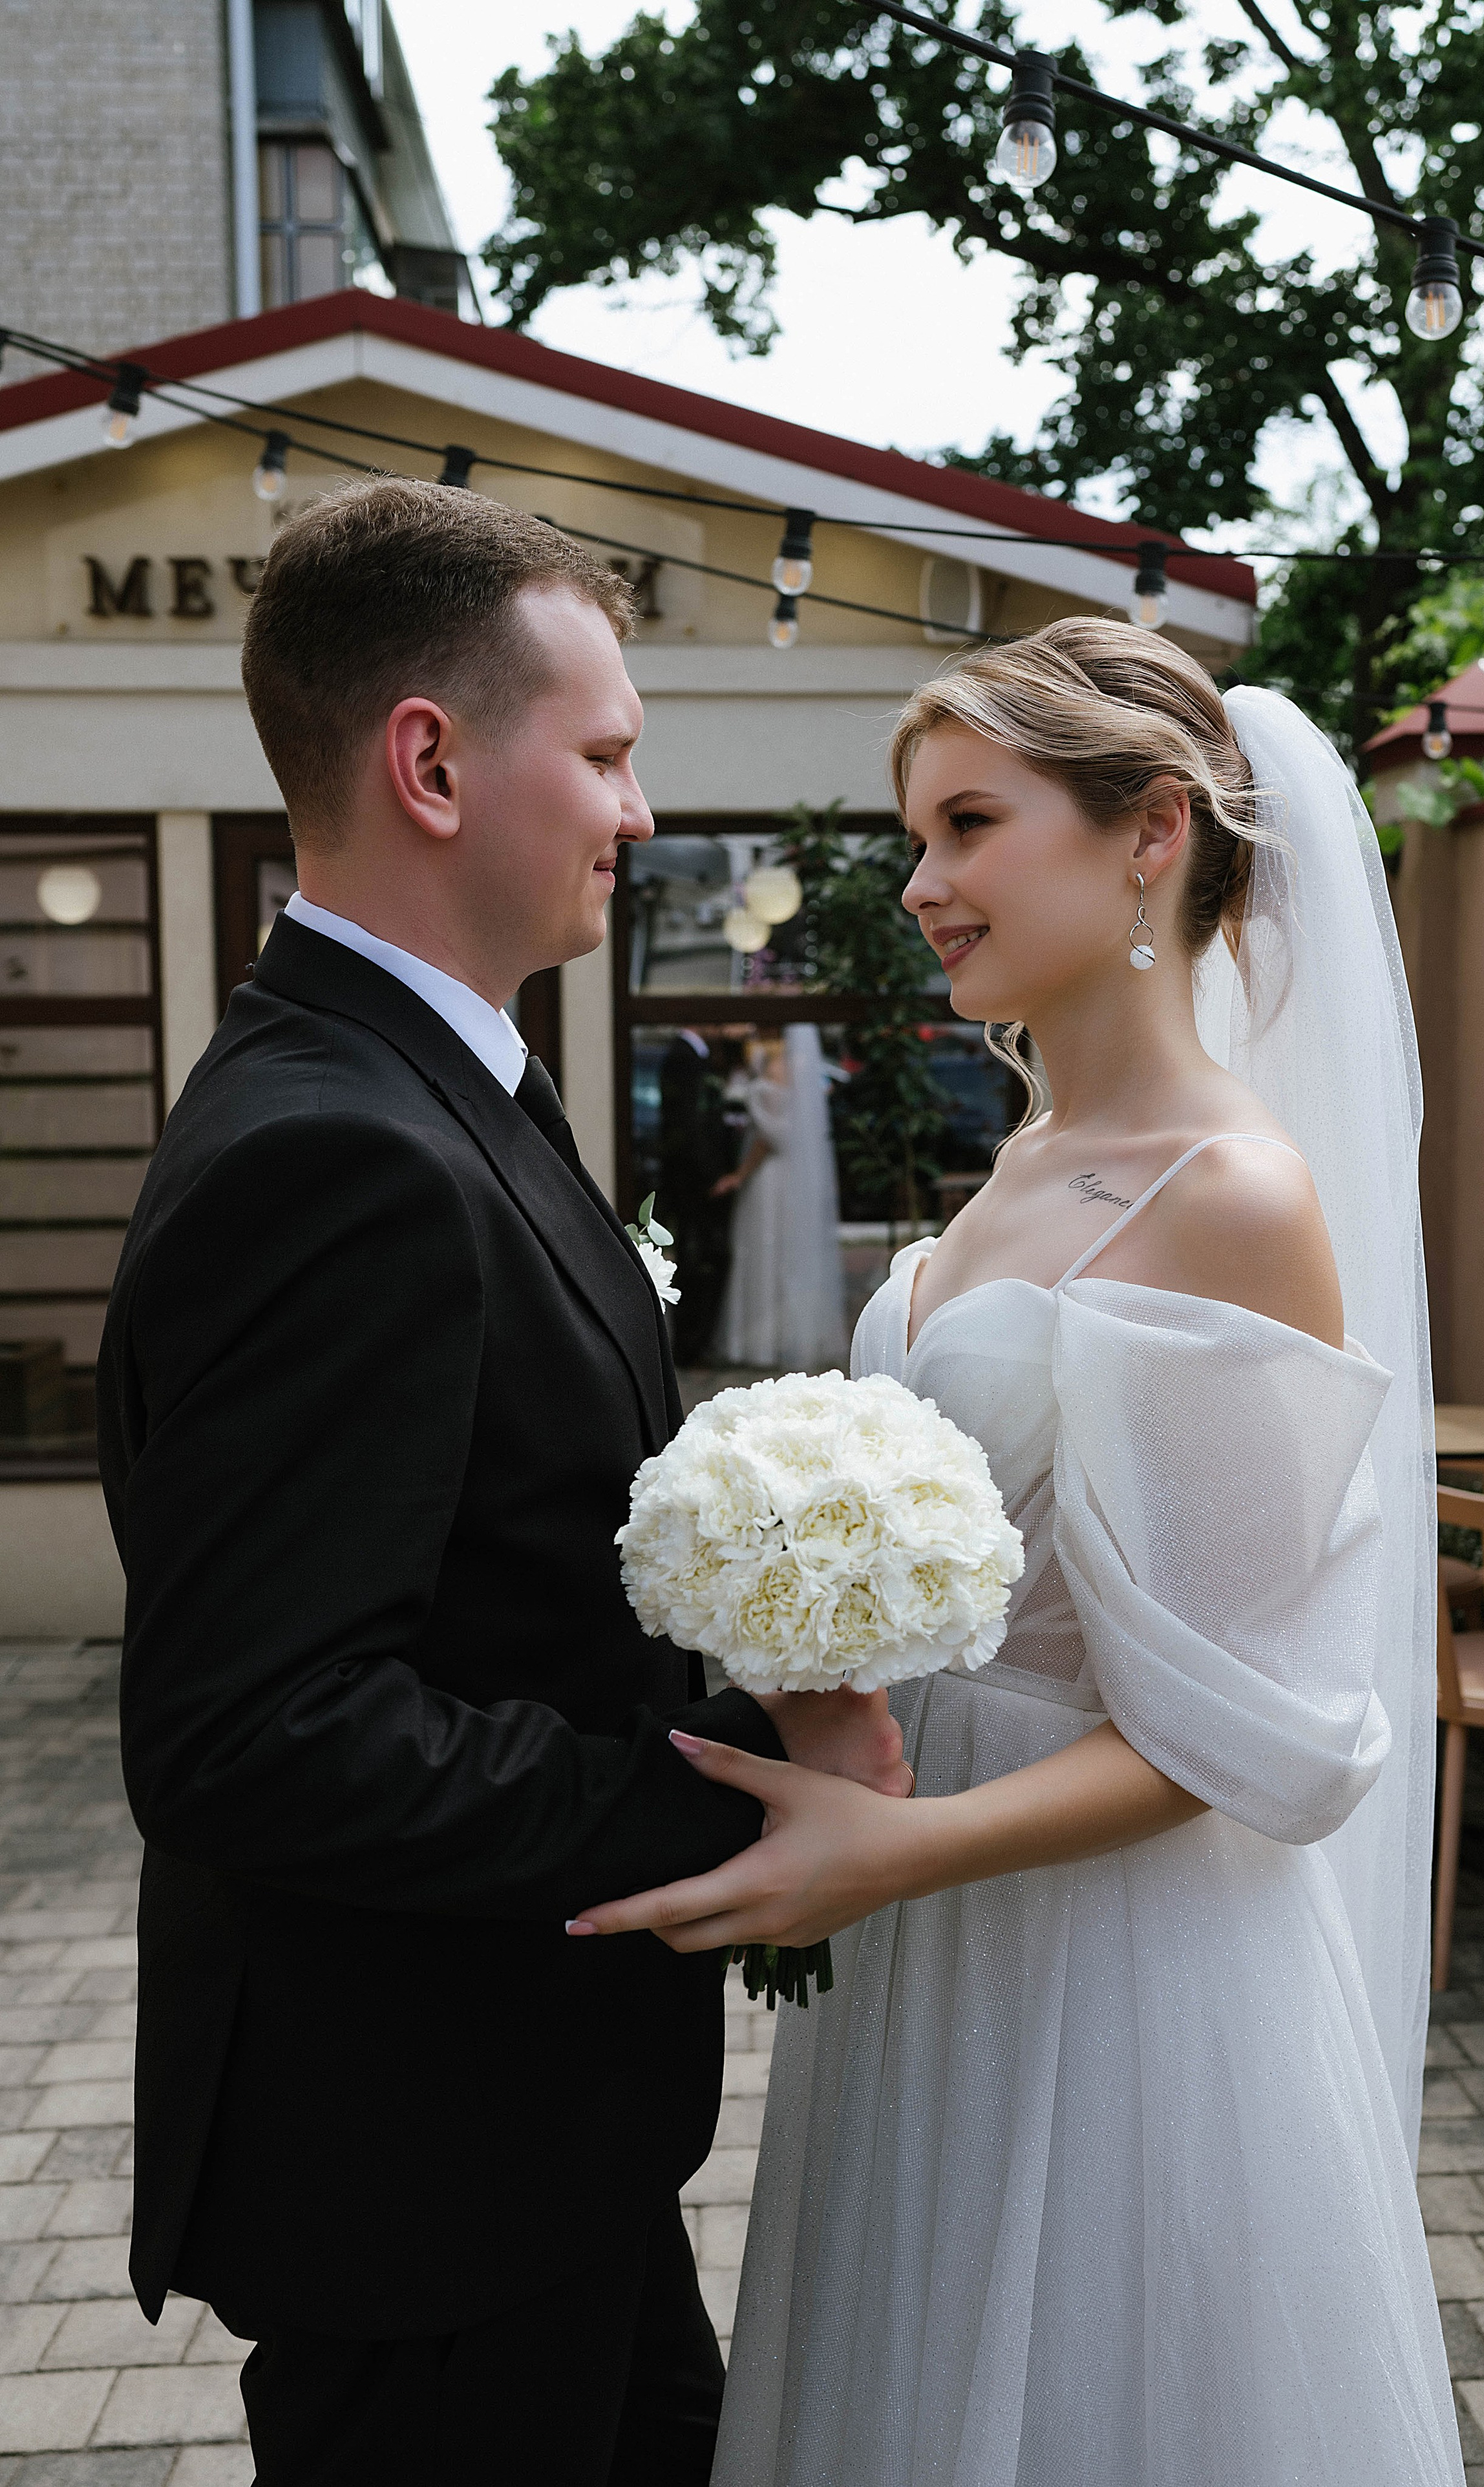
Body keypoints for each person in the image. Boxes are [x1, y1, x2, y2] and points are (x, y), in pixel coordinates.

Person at [567, 620, 1462, 2485]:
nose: (921, 882)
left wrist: (902, 1849)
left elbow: (1245, 1729)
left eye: (969, 823)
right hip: (916, 1921)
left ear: (1150, 831)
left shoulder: (1226, 1192)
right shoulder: (1029, 1150)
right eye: (919, 835)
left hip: (1108, 1960)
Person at [96, 478, 905, 2485]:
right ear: (432, 760)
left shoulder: (442, 1084)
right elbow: (255, 1733)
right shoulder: (337, 1148)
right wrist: (719, 1799)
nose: (638, 813)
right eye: (613, 752)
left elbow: (505, 1549)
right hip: (418, 2168)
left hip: (535, 2131)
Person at [710, 1024, 849, 1370]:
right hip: (795, 1177)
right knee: (791, 1253)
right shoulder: (806, 1077)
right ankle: (794, 1336)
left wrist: (741, 1174)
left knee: (763, 1251)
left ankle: (758, 1343)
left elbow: (766, 1138)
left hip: (769, 1177)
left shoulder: (770, 1075)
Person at [655, 1026, 743, 1364]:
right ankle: (691, 1345)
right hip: (696, 1183)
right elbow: (688, 1125)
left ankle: (696, 1343)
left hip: (698, 1179)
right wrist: (711, 1177)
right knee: (698, 1260)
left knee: (702, 1259)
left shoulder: (698, 1058)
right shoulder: (684, 1058)